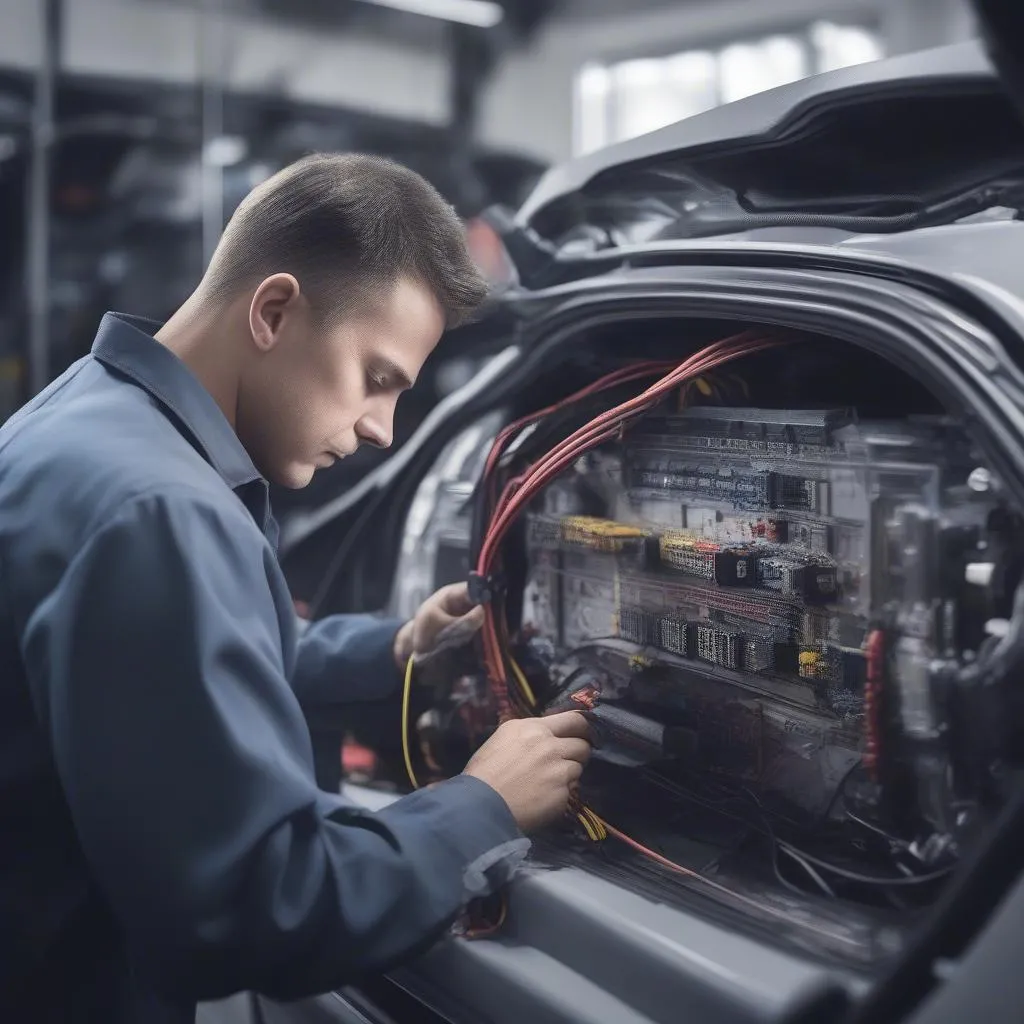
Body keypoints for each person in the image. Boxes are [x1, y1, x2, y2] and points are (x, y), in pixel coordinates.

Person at [0, 153, 592, 1023]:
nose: (382, 429)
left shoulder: (83, 419)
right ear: (274, 311)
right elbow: (253, 908)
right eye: (377, 378)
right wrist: (483, 804)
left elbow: (159, 672)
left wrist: (395, 650)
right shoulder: (164, 512)